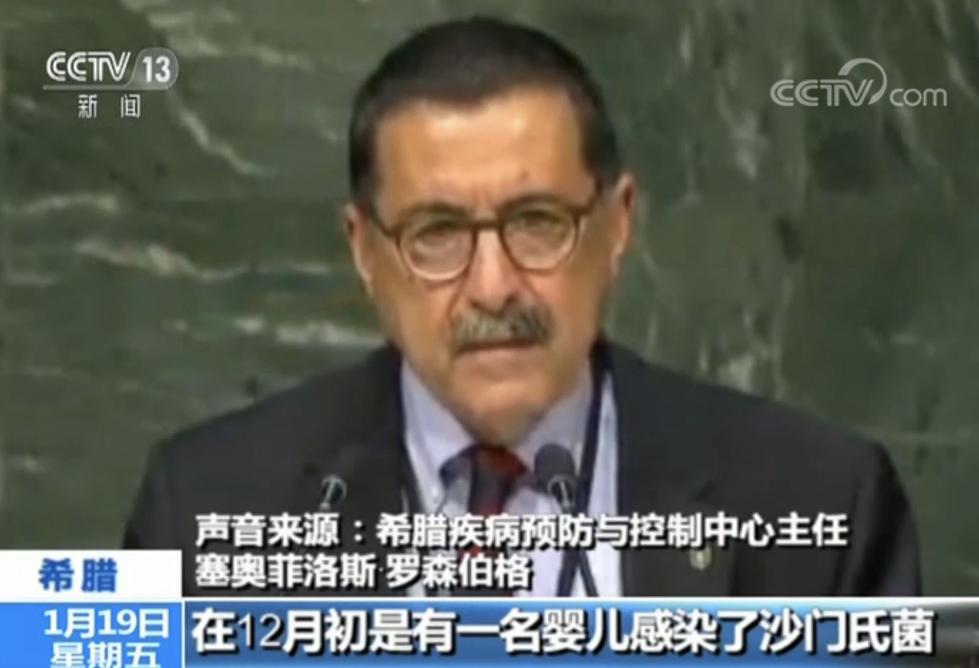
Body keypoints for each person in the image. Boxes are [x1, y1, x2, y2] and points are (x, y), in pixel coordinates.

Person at [124, 16, 921, 596]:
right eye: (437, 234)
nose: (493, 286)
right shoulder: (204, 511)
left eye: (537, 223)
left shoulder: (819, 504)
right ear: (364, 251)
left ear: (617, 225)